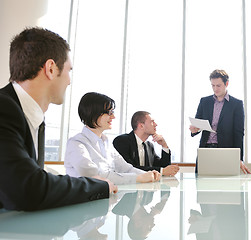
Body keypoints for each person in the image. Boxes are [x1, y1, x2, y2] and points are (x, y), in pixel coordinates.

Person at [0, 27, 117, 211]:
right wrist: (99, 186)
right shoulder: (4, 109)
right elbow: (26, 188)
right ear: (51, 69)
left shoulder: (30, 116)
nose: (69, 81)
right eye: (69, 71)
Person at [64, 92, 161, 184]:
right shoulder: (76, 143)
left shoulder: (106, 142)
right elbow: (94, 176)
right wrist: (138, 178)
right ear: (94, 113)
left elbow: (126, 168)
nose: (113, 117)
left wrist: (148, 174)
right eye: (109, 112)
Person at [189, 69, 250, 174]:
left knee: (224, 185)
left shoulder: (236, 104)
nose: (215, 89)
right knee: (201, 185)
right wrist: (194, 130)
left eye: (218, 85)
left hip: (226, 151)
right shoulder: (204, 102)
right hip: (205, 150)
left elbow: (239, 133)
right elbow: (197, 124)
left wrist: (239, 158)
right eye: (213, 85)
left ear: (226, 84)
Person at [113, 111, 179, 176]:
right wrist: (162, 171)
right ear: (141, 126)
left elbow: (163, 167)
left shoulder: (149, 145)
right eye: (152, 122)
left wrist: (164, 146)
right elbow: (129, 169)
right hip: (126, 185)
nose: (156, 124)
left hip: (145, 185)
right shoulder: (121, 141)